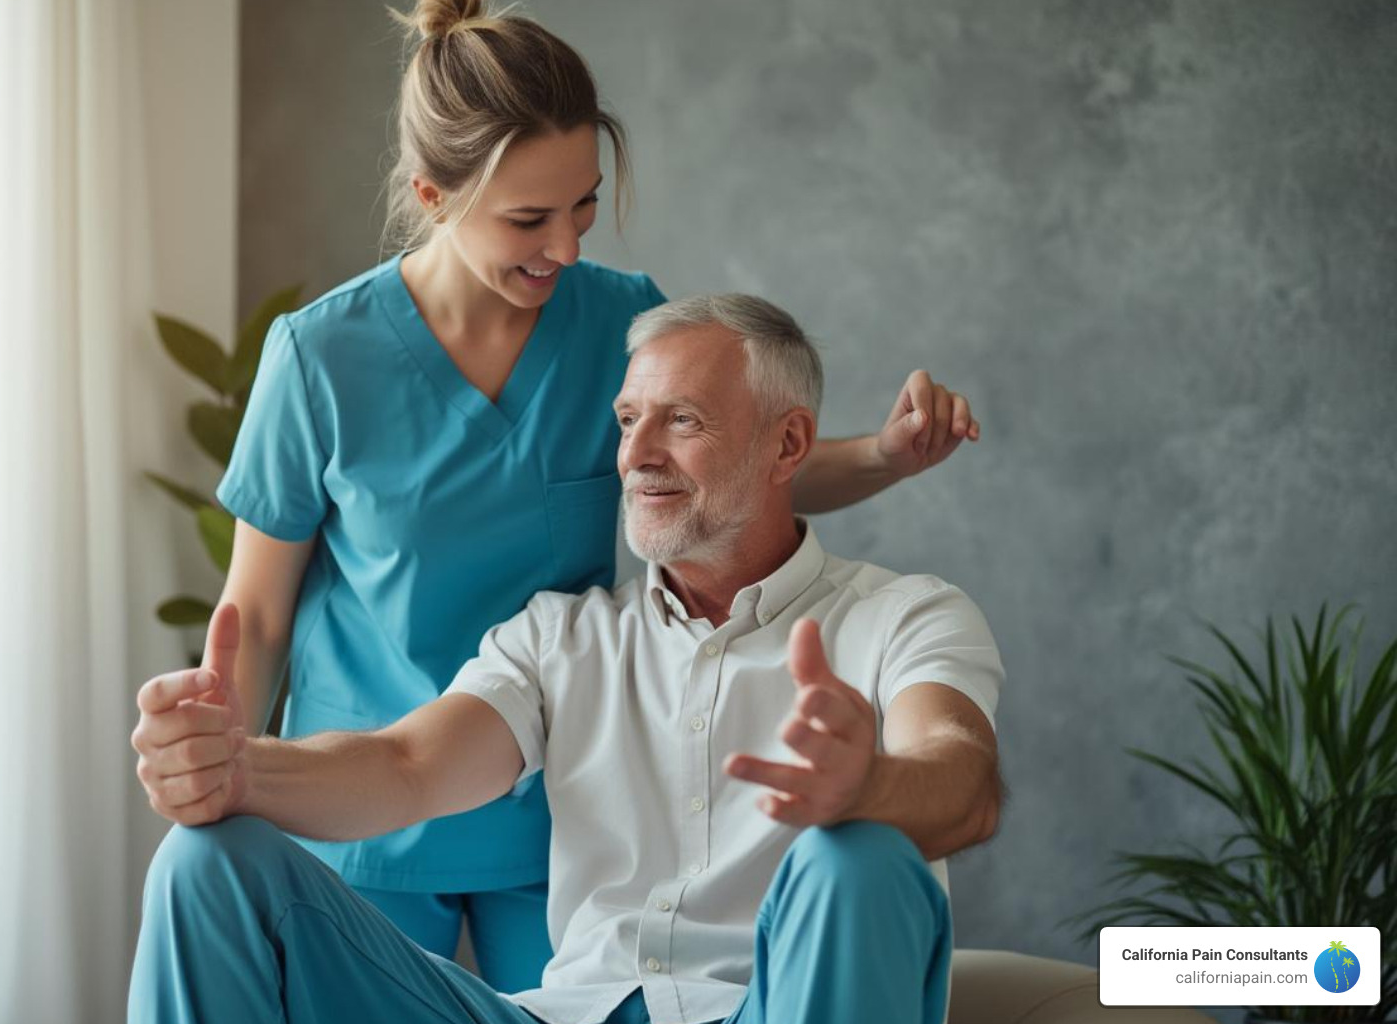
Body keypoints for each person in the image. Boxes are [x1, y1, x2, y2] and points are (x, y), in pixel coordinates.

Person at [187, 0, 981, 994]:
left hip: (542, 799)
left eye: (584, 206)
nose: (564, 248)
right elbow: (255, 612)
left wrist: (886, 456)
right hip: (372, 805)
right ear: (434, 195)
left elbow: (721, 470)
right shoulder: (319, 357)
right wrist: (230, 761)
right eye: (528, 218)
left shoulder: (617, 316)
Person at [130, 294, 1004, 1024]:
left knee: (857, 854)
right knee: (206, 862)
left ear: (786, 444)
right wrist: (237, 772)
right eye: (628, 420)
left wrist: (866, 793)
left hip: (766, 1006)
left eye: (682, 421)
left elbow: (961, 780)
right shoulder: (561, 637)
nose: (635, 453)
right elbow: (406, 765)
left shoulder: (904, 617)